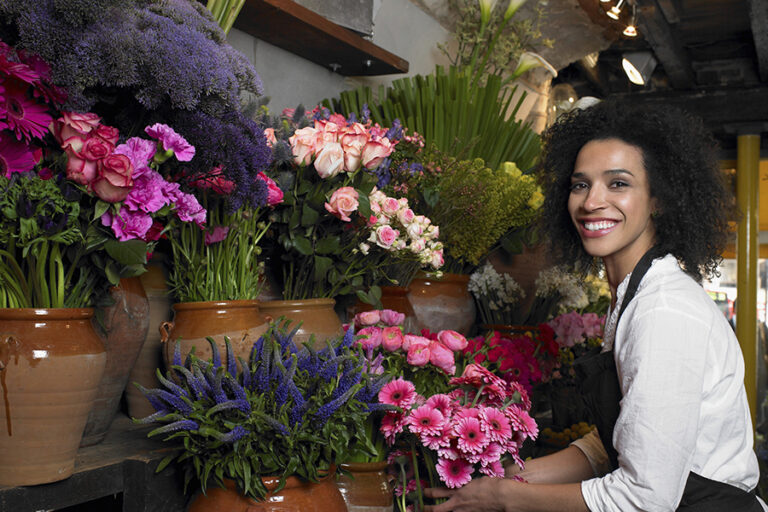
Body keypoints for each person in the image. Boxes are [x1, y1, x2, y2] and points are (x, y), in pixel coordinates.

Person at [424, 99, 767, 511]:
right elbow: (618, 441)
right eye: (580, 184)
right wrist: (511, 477)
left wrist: (505, 497)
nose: (591, 202)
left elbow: (645, 498)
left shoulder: (665, 311)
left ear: (658, 198)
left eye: (618, 183)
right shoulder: (634, 295)